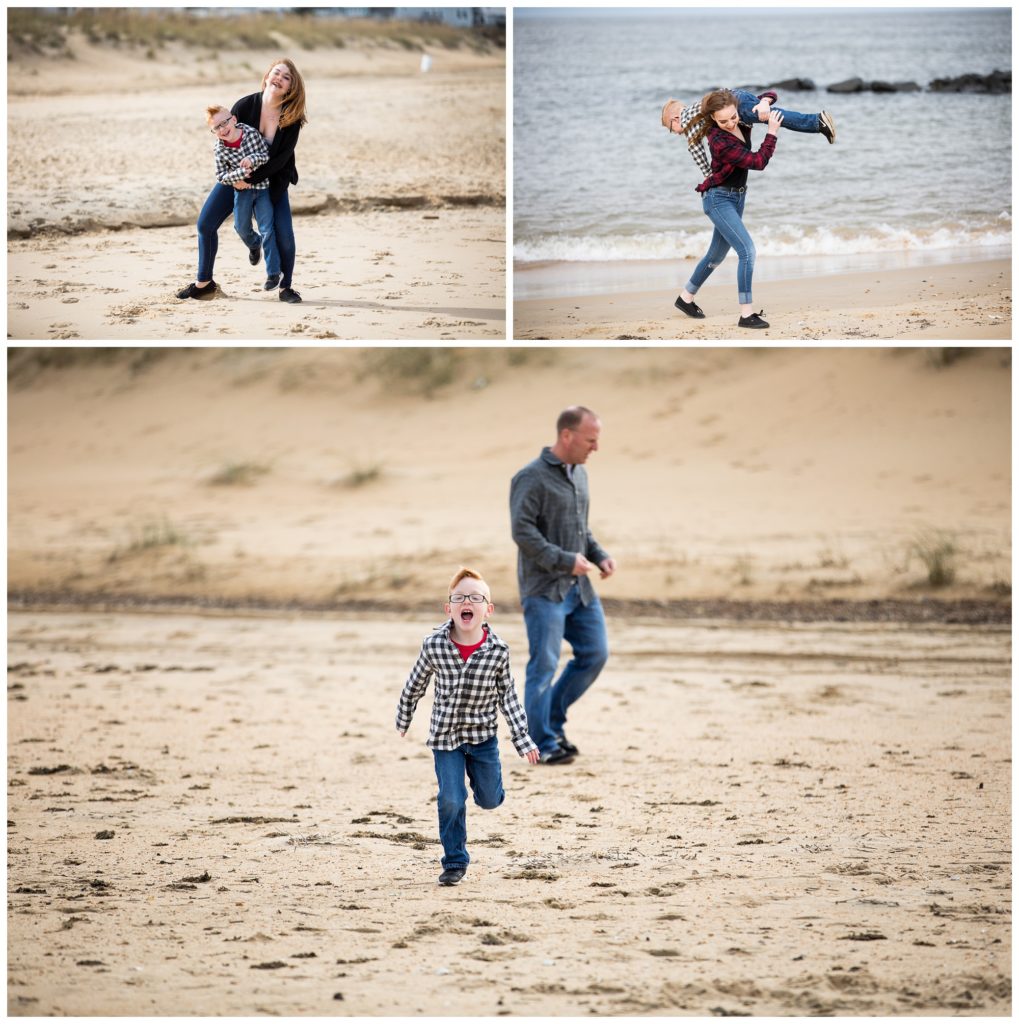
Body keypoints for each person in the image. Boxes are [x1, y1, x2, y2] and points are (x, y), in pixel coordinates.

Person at [396, 567, 540, 887]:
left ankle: (488, 789)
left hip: (483, 738)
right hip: (445, 738)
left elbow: (509, 699)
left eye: (476, 597)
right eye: (460, 597)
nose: (468, 602)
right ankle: (455, 861)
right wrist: (404, 718)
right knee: (451, 798)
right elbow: (414, 685)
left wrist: (523, 739)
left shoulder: (498, 651)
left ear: (488, 609)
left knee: (489, 799)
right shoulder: (434, 645)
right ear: (449, 608)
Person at [509, 406, 615, 765]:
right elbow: (522, 532)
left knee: (595, 653)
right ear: (566, 436)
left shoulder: (580, 474)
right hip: (543, 590)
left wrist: (598, 554)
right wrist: (565, 560)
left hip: (579, 589)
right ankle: (540, 742)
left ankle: (551, 724)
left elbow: (580, 528)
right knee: (544, 665)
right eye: (591, 439)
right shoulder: (530, 477)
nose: (595, 448)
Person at [177, 58, 307, 304]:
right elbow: (224, 139)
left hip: (272, 180)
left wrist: (248, 178)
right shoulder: (245, 105)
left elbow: (281, 160)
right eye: (276, 73)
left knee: (285, 236)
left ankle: (285, 287)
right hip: (237, 177)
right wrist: (235, 179)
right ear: (267, 76)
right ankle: (204, 283)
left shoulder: (292, 118)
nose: (279, 78)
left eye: (286, 77)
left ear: (291, 87)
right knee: (205, 224)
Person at [670, 89, 786, 329]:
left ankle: (685, 298)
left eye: (733, 117)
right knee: (747, 252)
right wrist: (772, 133)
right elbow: (757, 162)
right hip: (718, 199)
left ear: (737, 110)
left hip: (737, 197)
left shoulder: (741, 118)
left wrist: (764, 101)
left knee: (716, 255)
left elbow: (769, 93)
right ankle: (746, 314)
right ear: (713, 118)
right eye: (723, 121)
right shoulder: (719, 140)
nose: (730, 123)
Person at [661, 88, 835, 181]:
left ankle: (817, 122)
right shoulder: (696, 112)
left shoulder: (686, 120)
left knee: (772, 117)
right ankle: (817, 122)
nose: (675, 133)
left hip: (733, 101)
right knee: (768, 112)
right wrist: (766, 99)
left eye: (670, 129)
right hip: (736, 95)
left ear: (675, 119)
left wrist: (708, 175)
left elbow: (696, 151)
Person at [204, 104, 281, 290]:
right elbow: (221, 176)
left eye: (225, 122)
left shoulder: (251, 133)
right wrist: (238, 175)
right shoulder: (220, 149)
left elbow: (265, 155)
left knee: (268, 229)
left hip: (262, 188)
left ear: (234, 120)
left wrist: (253, 160)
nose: (223, 129)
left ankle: (273, 273)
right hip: (242, 192)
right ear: (213, 131)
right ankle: (255, 244)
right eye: (217, 127)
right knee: (240, 227)